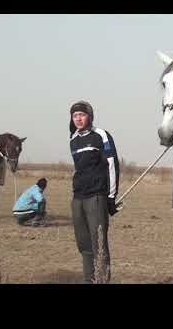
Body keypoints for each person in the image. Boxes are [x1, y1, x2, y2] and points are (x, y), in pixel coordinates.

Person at [69, 100, 120, 284]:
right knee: (83, 244)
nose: (78, 118)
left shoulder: (101, 135)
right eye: (75, 116)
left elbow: (112, 164)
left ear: (89, 116)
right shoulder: (73, 140)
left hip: (96, 197)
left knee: (99, 244)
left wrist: (111, 196)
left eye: (81, 114)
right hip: (78, 198)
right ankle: (88, 280)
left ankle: (102, 280)